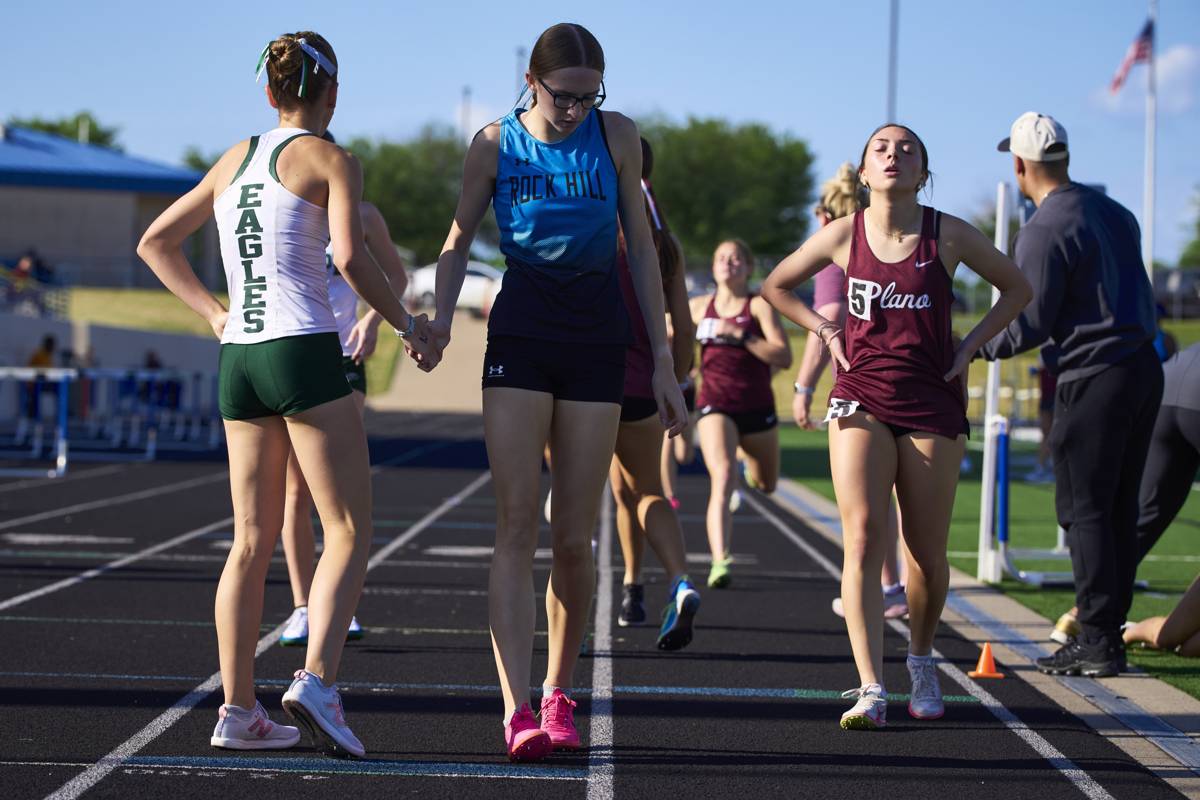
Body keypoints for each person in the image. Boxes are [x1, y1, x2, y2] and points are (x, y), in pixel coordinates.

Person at [137, 30, 434, 758]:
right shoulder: (333, 159)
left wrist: (213, 313)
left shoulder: (233, 158)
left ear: (270, 92)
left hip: (239, 356)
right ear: (332, 93)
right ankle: (318, 683)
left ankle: (238, 711)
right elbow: (349, 257)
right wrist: (406, 325)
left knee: (249, 541)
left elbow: (155, 243)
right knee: (348, 529)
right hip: (302, 349)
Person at [427, 23, 686, 762]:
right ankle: (516, 709)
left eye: (588, 97)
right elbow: (455, 242)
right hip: (522, 337)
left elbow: (644, 251)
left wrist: (663, 360)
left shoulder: (617, 135)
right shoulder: (493, 144)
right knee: (516, 524)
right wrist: (439, 320)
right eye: (563, 95)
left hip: (600, 343)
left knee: (574, 535)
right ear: (532, 82)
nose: (575, 110)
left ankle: (557, 693)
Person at [763, 123, 1031, 730]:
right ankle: (870, 686)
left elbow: (1018, 288)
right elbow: (775, 286)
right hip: (859, 395)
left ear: (922, 173)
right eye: (881, 149)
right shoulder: (842, 234)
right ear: (863, 172)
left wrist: (970, 347)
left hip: (932, 401)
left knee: (925, 554)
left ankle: (921, 658)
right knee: (861, 537)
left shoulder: (949, 234)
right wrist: (825, 330)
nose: (894, 156)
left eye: (907, 150)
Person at [978, 112, 1162, 678]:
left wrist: (969, 346)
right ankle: (1108, 632)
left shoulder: (1044, 227)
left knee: (1084, 511)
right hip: (1142, 368)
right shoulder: (1116, 212)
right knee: (1117, 507)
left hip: (1093, 374)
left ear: (1019, 165)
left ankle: (1099, 639)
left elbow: (1028, 322)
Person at [279, 156, 410, 648]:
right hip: (295, 351)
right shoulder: (284, 210)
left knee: (337, 483)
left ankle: (339, 604)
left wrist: (374, 321)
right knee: (296, 487)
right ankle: (302, 606)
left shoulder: (363, 214)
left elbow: (396, 277)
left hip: (344, 353)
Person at [793, 164, 907, 620]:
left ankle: (879, 588)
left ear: (823, 214)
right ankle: (895, 586)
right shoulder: (885, 241)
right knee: (898, 500)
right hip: (907, 380)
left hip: (863, 386)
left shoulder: (837, 244)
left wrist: (804, 385)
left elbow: (830, 318)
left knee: (862, 505)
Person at [609, 138, 700, 648]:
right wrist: (677, 382)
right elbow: (684, 328)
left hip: (585, 385)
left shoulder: (590, 226)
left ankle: (572, 624)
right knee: (643, 490)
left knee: (580, 501)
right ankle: (669, 582)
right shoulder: (663, 241)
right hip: (643, 384)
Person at [1054, 341, 1200, 644]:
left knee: (1139, 519)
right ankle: (1104, 628)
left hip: (1173, 377)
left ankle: (1084, 616)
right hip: (1177, 384)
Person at [690, 239, 792, 589]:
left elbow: (783, 357)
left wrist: (740, 335)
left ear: (748, 267)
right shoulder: (699, 307)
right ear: (713, 267)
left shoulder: (758, 306)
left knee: (767, 485)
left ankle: (749, 462)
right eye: (721, 258)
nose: (728, 263)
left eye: (736, 259)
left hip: (757, 407)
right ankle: (720, 560)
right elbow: (666, 331)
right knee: (722, 476)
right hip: (714, 405)